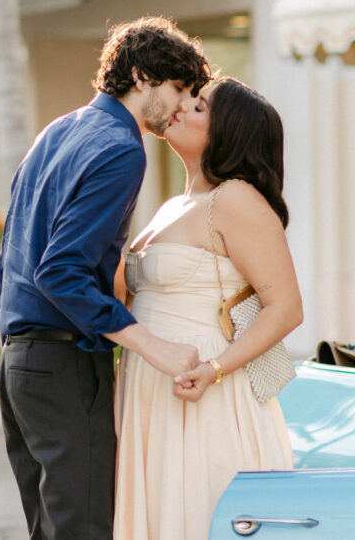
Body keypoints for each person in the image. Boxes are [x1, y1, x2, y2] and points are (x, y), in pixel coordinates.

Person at [0, 16, 211, 540]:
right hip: (63, 363)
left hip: (19, 364)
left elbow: (14, 254)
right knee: (85, 529)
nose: (182, 105)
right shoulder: (121, 146)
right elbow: (61, 271)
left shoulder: (58, 131)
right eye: (178, 88)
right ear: (141, 76)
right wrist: (152, 346)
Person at [114, 77, 304, 540]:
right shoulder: (174, 204)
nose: (181, 108)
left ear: (227, 135)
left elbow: (286, 308)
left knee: (195, 513)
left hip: (202, 392)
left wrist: (216, 369)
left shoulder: (235, 198)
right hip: (148, 385)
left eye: (199, 107)